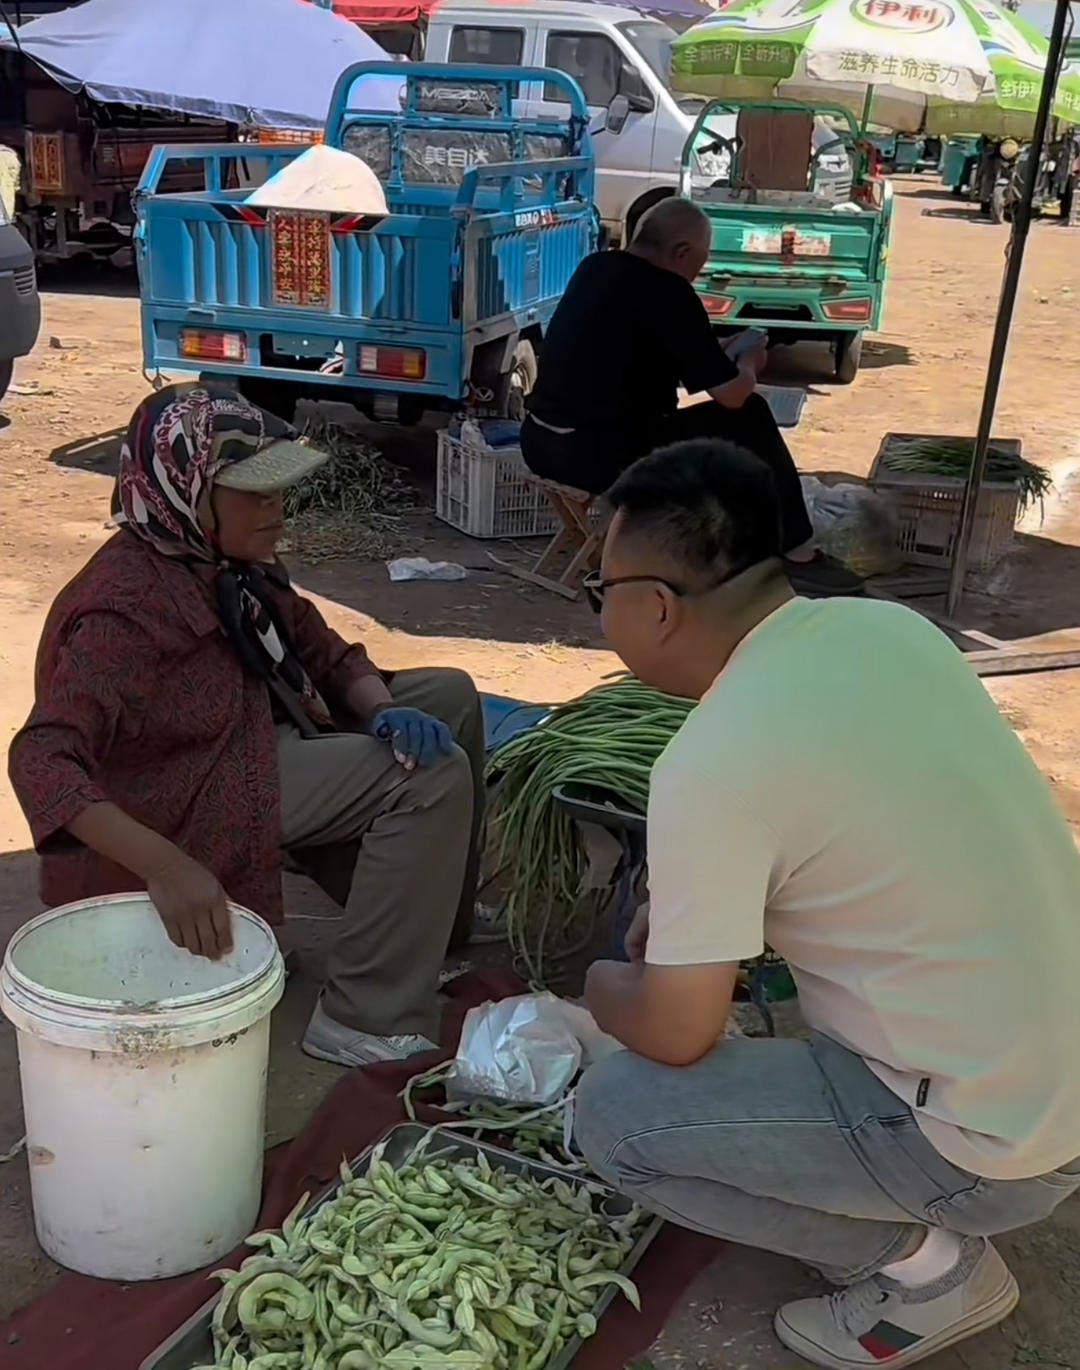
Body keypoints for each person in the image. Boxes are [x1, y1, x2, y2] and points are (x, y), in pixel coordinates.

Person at [574, 439, 1080, 1369]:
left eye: (599, 592)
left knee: (615, 1118)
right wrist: (702, 916)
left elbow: (679, 1034)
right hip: (1059, 1074)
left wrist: (606, 988)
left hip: (1001, 1147)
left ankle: (931, 1269)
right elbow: (867, 837)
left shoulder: (713, 761)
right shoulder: (889, 633)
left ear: (653, 606)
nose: (602, 612)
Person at [9, 382, 484, 1066]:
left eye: (278, 489)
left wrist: (383, 710)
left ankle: (429, 931)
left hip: (246, 736)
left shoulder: (228, 563)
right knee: (430, 780)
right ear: (190, 495)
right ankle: (363, 1015)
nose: (277, 508)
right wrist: (166, 867)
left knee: (449, 698)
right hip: (184, 798)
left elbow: (320, 649)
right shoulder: (123, 610)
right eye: (254, 493)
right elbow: (42, 760)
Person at [521, 197, 858, 595]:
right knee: (750, 414)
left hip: (541, 441)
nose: (698, 274)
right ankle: (798, 552)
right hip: (598, 456)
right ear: (682, 253)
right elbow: (731, 395)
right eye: (699, 263)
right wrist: (749, 362)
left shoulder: (596, 267)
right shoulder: (668, 292)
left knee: (721, 421)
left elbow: (649, 344)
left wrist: (718, 350)